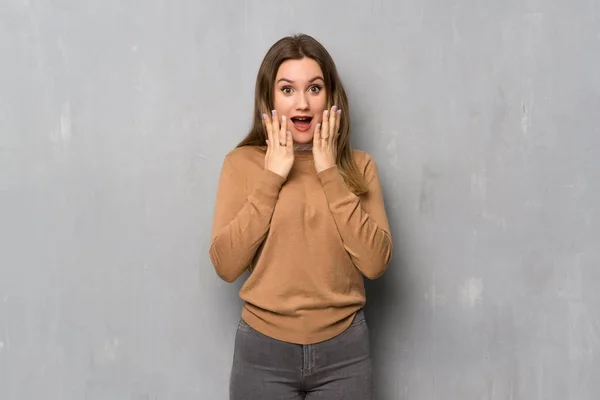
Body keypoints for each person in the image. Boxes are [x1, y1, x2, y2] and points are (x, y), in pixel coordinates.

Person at [209, 33, 393, 400]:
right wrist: (273, 177)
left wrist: (329, 172)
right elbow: (226, 264)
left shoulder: (359, 167)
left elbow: (376, 263)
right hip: (262, 353)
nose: (303, 103)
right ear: (270, 99)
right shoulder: (241, 164)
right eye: (288, 89)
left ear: (331, 97)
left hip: (345, 354)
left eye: (314, 87)